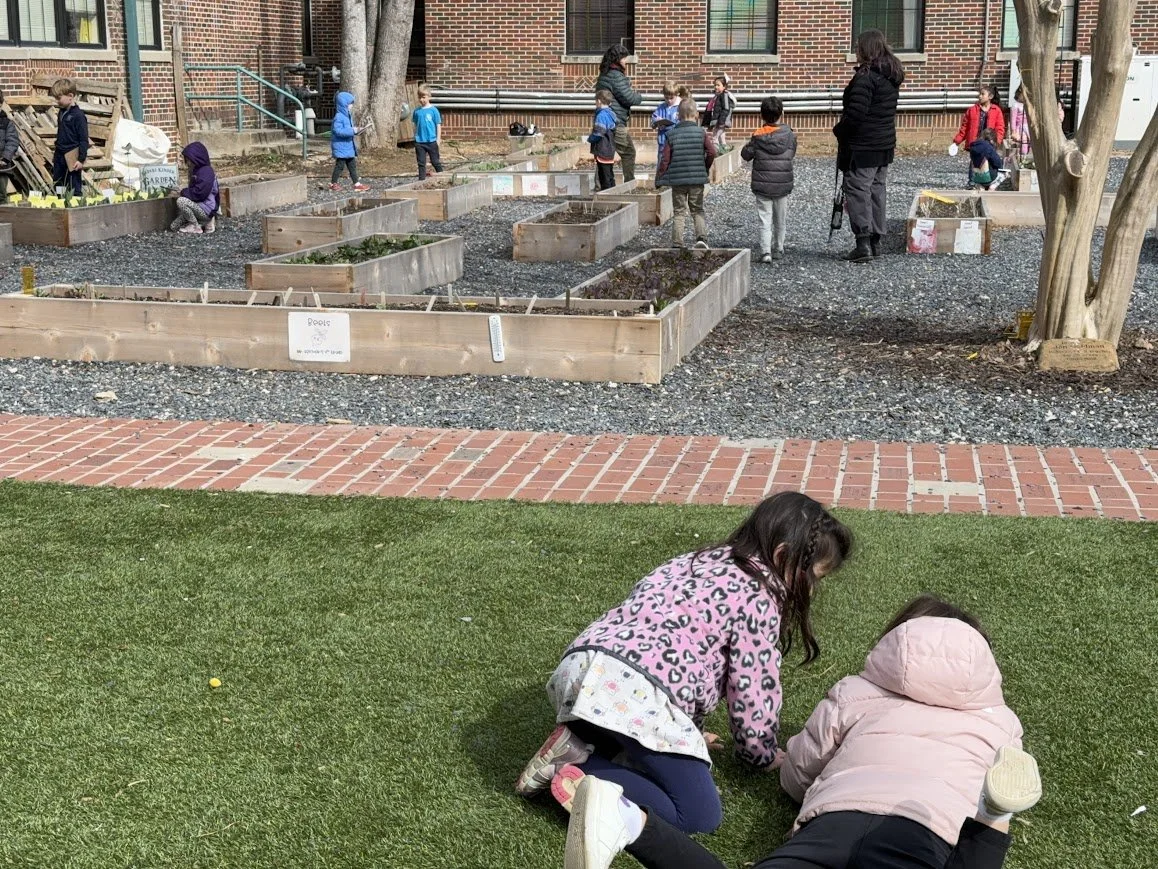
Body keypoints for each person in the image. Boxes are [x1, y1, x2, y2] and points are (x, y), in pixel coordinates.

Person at [564, 595, 1041, 869]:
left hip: (831, 824)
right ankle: (990, 816)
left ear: (896, 643)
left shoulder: (856, 692)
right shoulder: (999, 720)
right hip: (929, 829)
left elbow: (798, 774)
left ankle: (630, 821)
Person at [515, 492, 853, 835]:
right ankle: (580, 766)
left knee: (627, 727)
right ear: (782, 556)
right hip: (636, 690)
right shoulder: (759, 598)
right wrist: (760, 754)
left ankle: (578, 740)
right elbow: (752, 689)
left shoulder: (696, 560)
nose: (812, 591)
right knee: (697, 815)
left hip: (582, 667)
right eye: (815, 578)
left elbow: (681, 653)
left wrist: (687, 730)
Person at [833, 30, 904, 264]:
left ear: (866, 49)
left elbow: (856, 114)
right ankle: (875, 242)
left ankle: (863, 242)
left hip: (863, 146)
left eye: (858, 47)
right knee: (876, 190)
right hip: (884, 143)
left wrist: (839, 130)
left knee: (858, 190)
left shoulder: (866, 77)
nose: (856, 51)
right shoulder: (890, 75)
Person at [741, 95, 797, 263]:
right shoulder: (789, 135)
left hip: (762, 185)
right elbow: (792, 153)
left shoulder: (758, 135)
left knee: (765, 219)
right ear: (781, 113)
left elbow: (746, 155)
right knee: (780, 219)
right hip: (782, 184)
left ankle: (766, 252)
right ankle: (778, 248)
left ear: (762, 115)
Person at [656, 98, 716, 250]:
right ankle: (701, 238)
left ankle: (677, 243)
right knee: (697, 209)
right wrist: (705, 167)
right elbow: (712, 152)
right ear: (697, 115)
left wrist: (660, 177)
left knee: (679, 212)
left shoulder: (672, 134)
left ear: (678, 115)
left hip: (678, 181)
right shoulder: (701, 133)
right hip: (696, 180)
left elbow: (665, 159)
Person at [595, 44, 642, 182]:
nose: (626, 61)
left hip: (603, 120)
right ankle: (629, 183)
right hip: (615, 122)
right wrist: (639, 96)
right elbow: (629, 98)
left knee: (603, 155)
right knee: (628, 152)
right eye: (624, 58)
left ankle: (599, 187)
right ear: (617, 59)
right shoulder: (616, 76)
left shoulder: (604, 73)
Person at [953, 85, 1006, 186]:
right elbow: (964, 127)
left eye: (982, 94)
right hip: (976, 142)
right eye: (979, 94)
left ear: (990, 96)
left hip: (989, 142)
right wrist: (957, 141)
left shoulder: (996, 110)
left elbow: (1000, 128)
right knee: (974, 162)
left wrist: (997, 141)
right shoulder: (972, 110)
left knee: (989, 162)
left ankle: (988, 181)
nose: (980, 96)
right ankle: (972, 182)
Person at [170, 142, 219, 235]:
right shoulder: (196, 171)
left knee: (181, 201)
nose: (187, 163)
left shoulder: (206, 172)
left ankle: (196, 226)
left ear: (196, 158)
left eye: (189, 160)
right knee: (174, 226)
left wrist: (183, 192)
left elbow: (199, 194)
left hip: (206, 209)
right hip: (199, 206)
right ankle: (201, 223)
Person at [51, 78, 87, 197]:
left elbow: (83, 139)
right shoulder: (61, 113)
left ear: (70, 96)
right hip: (60, 154)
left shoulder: (78, 116)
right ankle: (61, 201)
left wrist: (81, 159)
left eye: (59, 98)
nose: (57, 101)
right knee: (59, 184)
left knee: (73, 185)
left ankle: (76, 203)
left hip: (72, 155)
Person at [330, 91, 371, 192]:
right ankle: (333, 183)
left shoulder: (347, 116)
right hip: (341, 146)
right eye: (350, 104)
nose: (351, 106)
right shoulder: (339, 117)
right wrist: (353, 131)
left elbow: (348, 130)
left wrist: (357, 131)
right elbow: (338, 131)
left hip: (348, 147)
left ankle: (356, 183)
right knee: (340, 166)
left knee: (352, 166)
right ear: (343, 104)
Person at [412, 85, 444, 181]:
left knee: (435, 161)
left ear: (429, 96)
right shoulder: (417, 111)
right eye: (420, 97)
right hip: (420, 142)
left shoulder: (434, 110)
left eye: (424, 97)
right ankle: (421, 180)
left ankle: (442, 176)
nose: (421, 100)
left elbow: (438, 125)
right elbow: (415, 125)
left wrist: (438, 139)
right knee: (421, 163)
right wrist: (415, 137)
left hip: (431, 141)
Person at [588, 90, 618, 191]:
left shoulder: (601, 115)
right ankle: (613, 192)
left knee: (604, 176)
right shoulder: (611, 114)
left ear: (599, 101)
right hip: (610, 148)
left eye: (596, 101)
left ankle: (607, 195)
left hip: (603, 148)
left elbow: (598, 133)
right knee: (609, 174)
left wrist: (590, 139)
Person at [650, 81, 681, 153]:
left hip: (675, 142)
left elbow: (681, 124)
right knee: (661, 159)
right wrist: (655, 123)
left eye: (671, 98)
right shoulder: (661, 107)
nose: (669, 100)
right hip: (662, 142)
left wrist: (666, 127)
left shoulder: (680, 107)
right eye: (666, 98)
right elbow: (653, 119)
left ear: (677, 94)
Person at [706, 75, 736, 149]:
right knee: (722, 135)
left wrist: (721, 121)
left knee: (715, 136)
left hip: (721, 120)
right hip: (719, 120)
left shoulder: (724, 96)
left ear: (724, 86)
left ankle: (716, 149)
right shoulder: (717, 96)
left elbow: (726, 108)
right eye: (715, 85)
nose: (716, 87)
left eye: (718, 85)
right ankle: (724, 147)